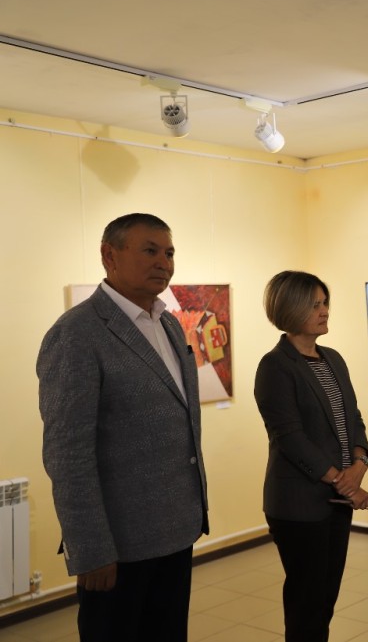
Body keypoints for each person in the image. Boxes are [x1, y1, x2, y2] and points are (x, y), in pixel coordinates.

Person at [37, 213, 208, 642]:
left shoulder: (168, 324)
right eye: (150, 250)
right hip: (117, 545)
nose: (164, 263)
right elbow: (67, 454)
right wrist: (90, 547)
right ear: (109, 255)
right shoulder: (77, 334)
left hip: (176, 531)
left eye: (169, 252)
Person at [254, 271, 368, 642]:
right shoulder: (275, 366)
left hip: (337, 499)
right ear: (289, 308)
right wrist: (344, 481)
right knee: (307, 603)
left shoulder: (332, 359)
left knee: (325, 599)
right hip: (299, 504)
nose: (324, 311)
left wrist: (360, 464)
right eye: (314, 305)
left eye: (324, 303)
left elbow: (353, 418)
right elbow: (290, 437)